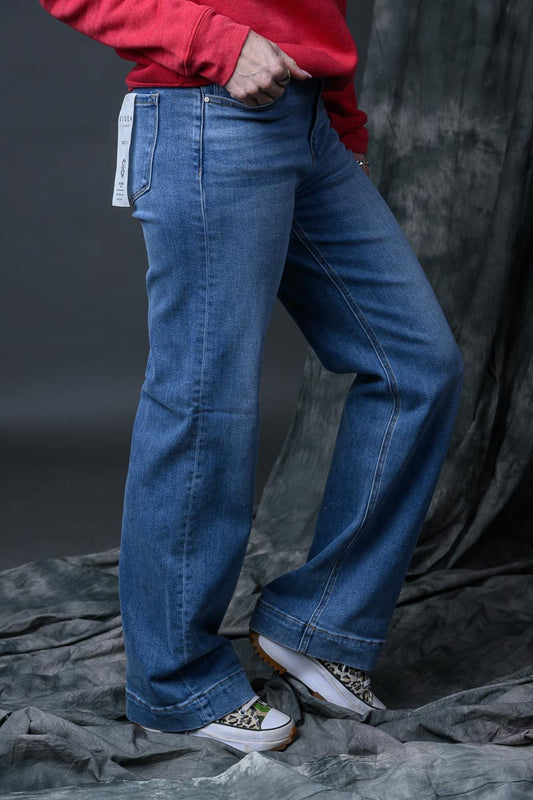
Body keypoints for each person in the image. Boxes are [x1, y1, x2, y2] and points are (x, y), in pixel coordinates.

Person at [38, 0, 464, 753]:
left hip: (309, 119)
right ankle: (174, 685)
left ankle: (319, 624)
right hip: (209, 113)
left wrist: (341, 121)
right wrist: (214, 42)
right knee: (203, 402)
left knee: (416, 366)